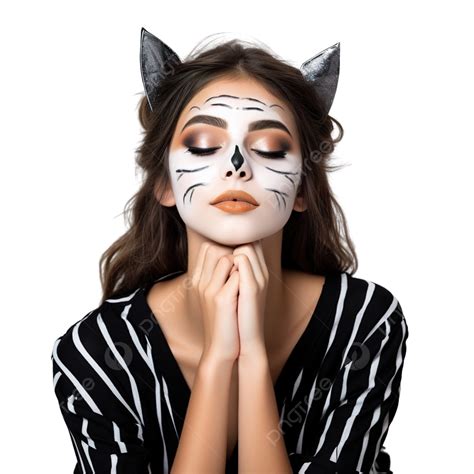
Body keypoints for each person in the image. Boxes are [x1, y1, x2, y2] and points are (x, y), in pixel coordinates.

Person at [51, 28, 409, 473]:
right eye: (203, 145)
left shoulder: (363, 323)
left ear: (302, 188)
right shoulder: (96, 353)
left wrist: (252, 357)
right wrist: (218, 360)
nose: (237, 165)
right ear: (163, 182)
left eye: (272, 148)